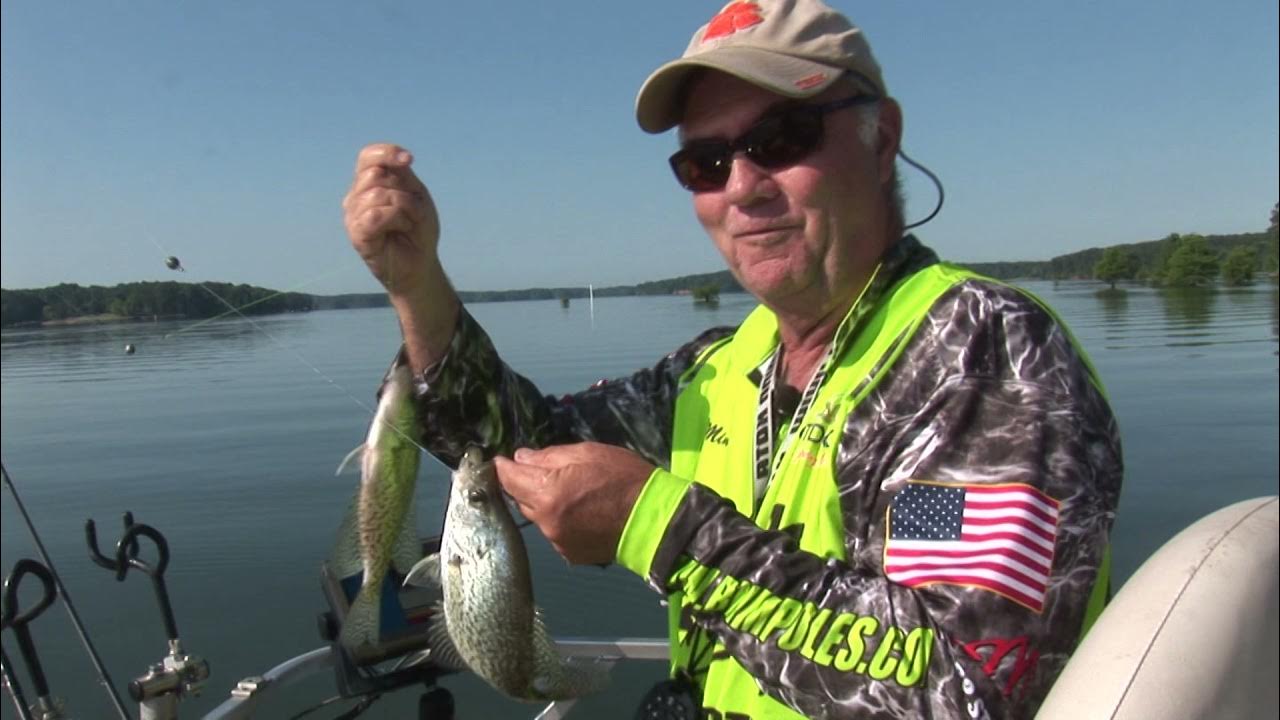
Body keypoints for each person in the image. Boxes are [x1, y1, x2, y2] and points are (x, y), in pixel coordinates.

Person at [341, 0, 1123, 717]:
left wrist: (658, 526)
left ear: (880, 139)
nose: (743, 187)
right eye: (705, 163)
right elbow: (518, 447)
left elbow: (961, 684)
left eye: (781, 140)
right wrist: (416, 283)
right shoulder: (717, 367)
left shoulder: (980, 360)